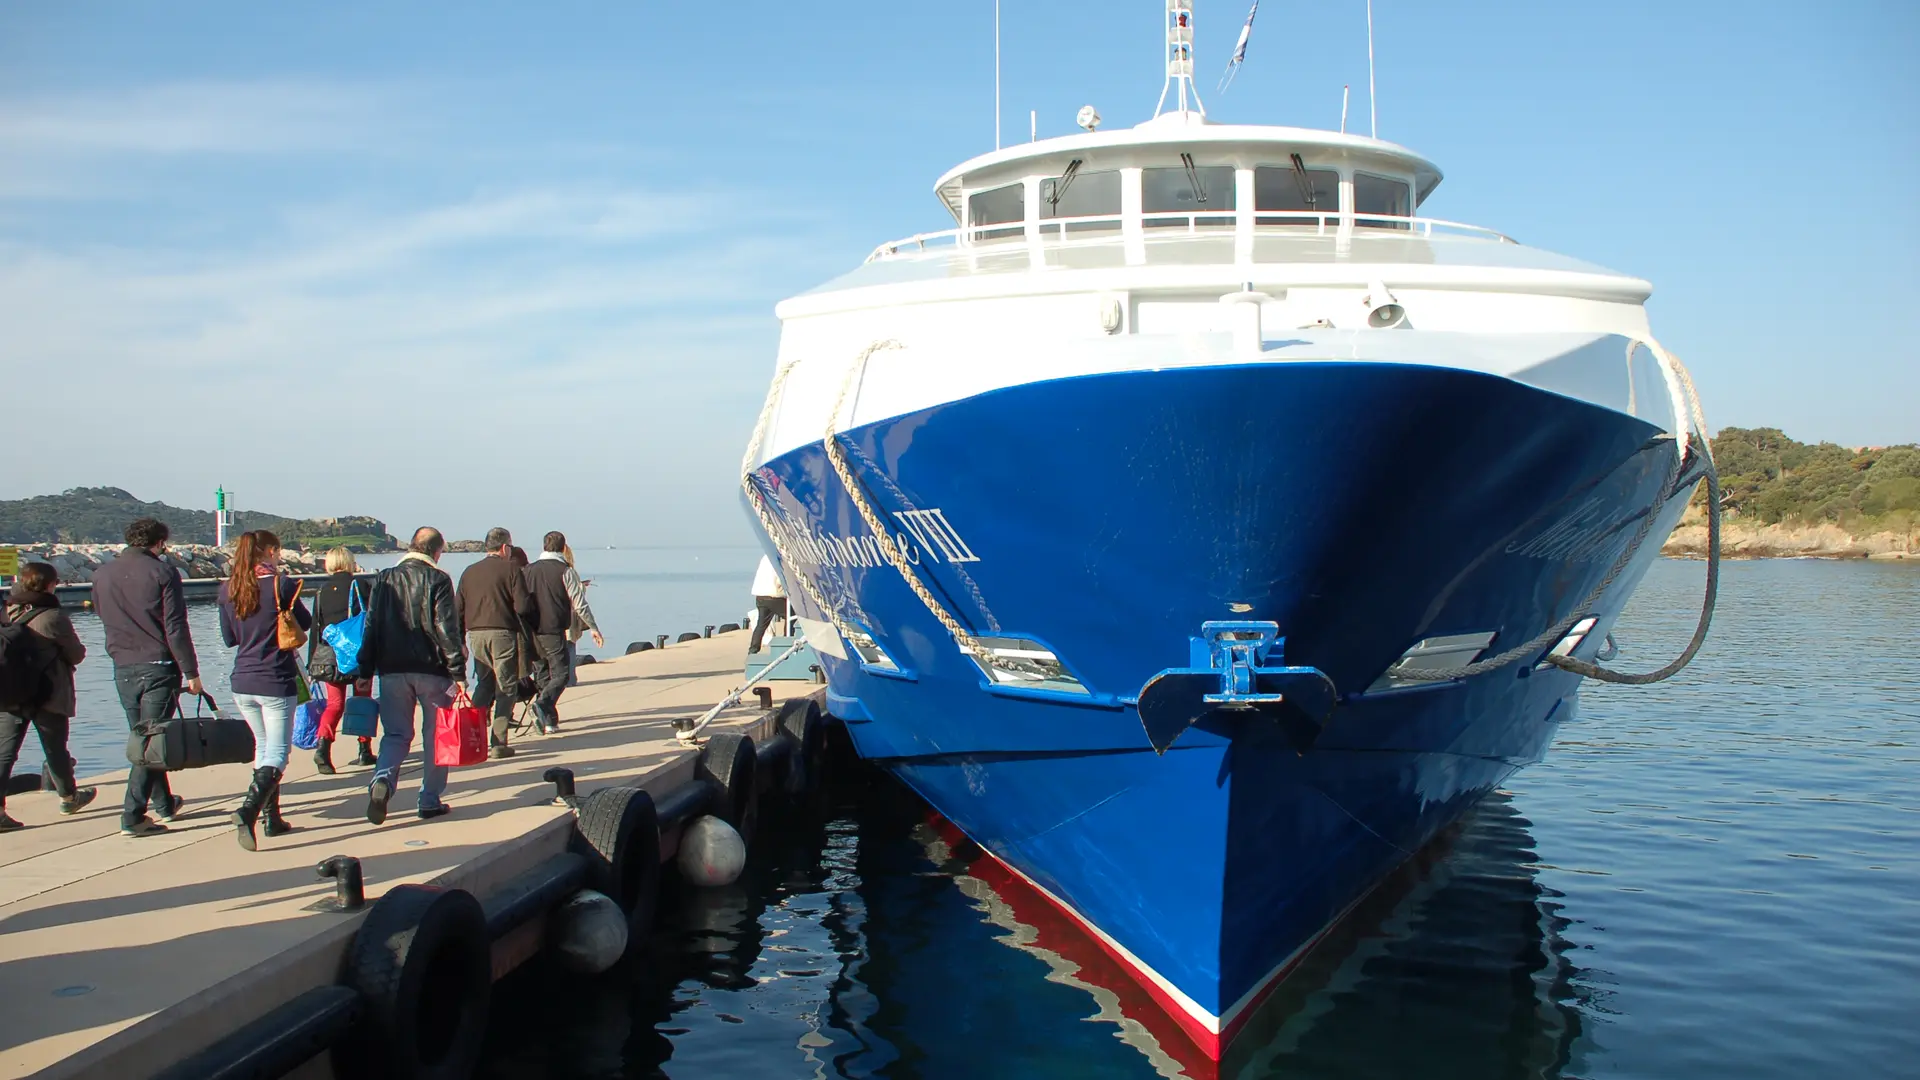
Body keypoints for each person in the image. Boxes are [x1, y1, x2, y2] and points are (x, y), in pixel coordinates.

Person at [90, 517, 200, 837]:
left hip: (122, 664)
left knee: (143, 735)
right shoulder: (163, 572)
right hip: (158, 664)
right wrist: (191, 671)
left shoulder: (101, 574)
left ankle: (164, 803)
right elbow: (175, 627)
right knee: (150, 741)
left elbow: (102, 614)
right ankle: (133, 815)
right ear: (160, 543)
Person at [360, 527, 466, 823]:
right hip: (431, 669)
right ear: (436, 551)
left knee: (395, 734)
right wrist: (458, 671)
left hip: (392, 669)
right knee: (436, 736)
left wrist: (365, 668)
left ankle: (382, 780)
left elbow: (372, 625)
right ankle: (429, 799)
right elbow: (446, 628)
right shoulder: (439, 579)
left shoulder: (383, 578)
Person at [217, 530, 311, 851]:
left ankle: (273, 818)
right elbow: (305, 622)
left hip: (242, 679)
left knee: (262, 748)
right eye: (278, 551)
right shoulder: (280, 585)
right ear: (270, 551)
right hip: (275, 677)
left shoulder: (228, 589)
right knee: (279, 754)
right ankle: (249, 810)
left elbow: (230, 638)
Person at [0, 562, 97, 829]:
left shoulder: (7, 612)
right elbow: (76, 653)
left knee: (5, 752)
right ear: (50, 585)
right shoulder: (53, 617)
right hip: (49, 692)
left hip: (10, 692)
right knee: (55, 749)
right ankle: (68, 797)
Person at [457, 527, 534, 759]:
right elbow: (522, 607)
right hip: (502, 632)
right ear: (504, 547)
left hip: (475, 634)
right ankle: (499, 741)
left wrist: (460, 640)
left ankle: (473, 734)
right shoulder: (511, 569)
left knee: (484, 684)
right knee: (506, 686)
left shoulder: (469, 572)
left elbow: (458, 608)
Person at [524, 532, 604, 734]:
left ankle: (549, 721)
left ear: (544, 546)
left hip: (532, 629)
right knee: (561, 673)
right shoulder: (565, 570)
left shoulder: (527, 570)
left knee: (542, 673)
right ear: (563, 548)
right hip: (553, 628)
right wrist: (593, 627)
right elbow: (579, 604)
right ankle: (541, 705)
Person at [307, 547, 375, 774]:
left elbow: (315, 630)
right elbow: (372, 622)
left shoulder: (321, 592)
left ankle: (323, 748)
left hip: (331, 656)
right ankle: (364, 750)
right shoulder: (362, 587)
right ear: (350, 562)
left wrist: (311, 664)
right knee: (362, 699)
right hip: (358, 655)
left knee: (334, 704)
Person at [748, 555, 788, 654]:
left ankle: (753, 650)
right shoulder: (780, 557)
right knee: (791, 616)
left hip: (760, 595)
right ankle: (787, 642)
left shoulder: (766, 557)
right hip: (773, 595)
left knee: (761, 624)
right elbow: (779, 578)